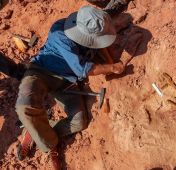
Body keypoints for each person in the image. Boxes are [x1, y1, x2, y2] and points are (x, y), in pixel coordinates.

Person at [15, 6, 127, 169]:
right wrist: (112, 68)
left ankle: (35, 132)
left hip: (67, 82)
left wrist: (110, 62)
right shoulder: (60, 33)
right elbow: (85, 69)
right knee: (24, 106)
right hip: (41, 73)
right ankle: (50, 143)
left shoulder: (89, 24)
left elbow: (99, 43)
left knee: (79, 122)